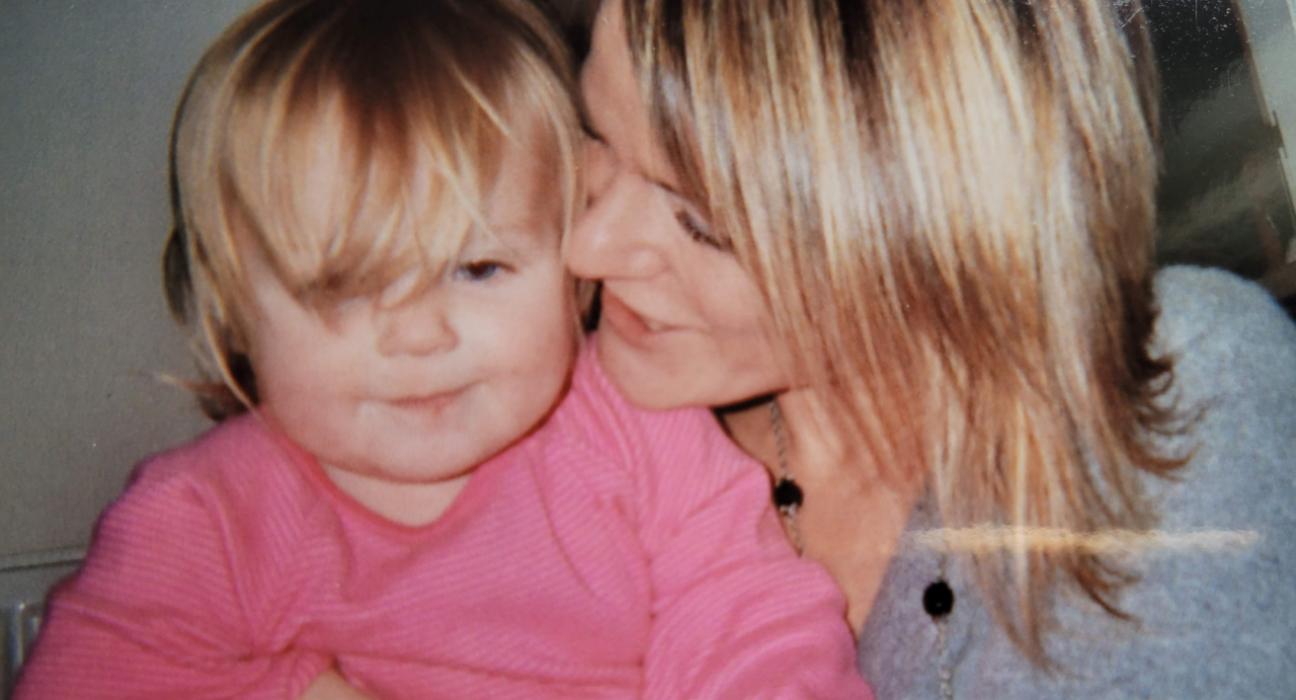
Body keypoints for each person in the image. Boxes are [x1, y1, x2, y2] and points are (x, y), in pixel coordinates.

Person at [15, 1, 870, 698]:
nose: (421, 335)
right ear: (235, 310)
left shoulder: (642, 440)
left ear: (569, 269)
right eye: (348, 287)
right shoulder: (202, 519)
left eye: (479, 267)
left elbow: (750, 622)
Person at [569, 0, 1296, 696]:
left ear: (935, 230)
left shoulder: (1167, 402)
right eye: (595, 136)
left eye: (700, 223)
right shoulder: (571, 449)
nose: (585, 247)